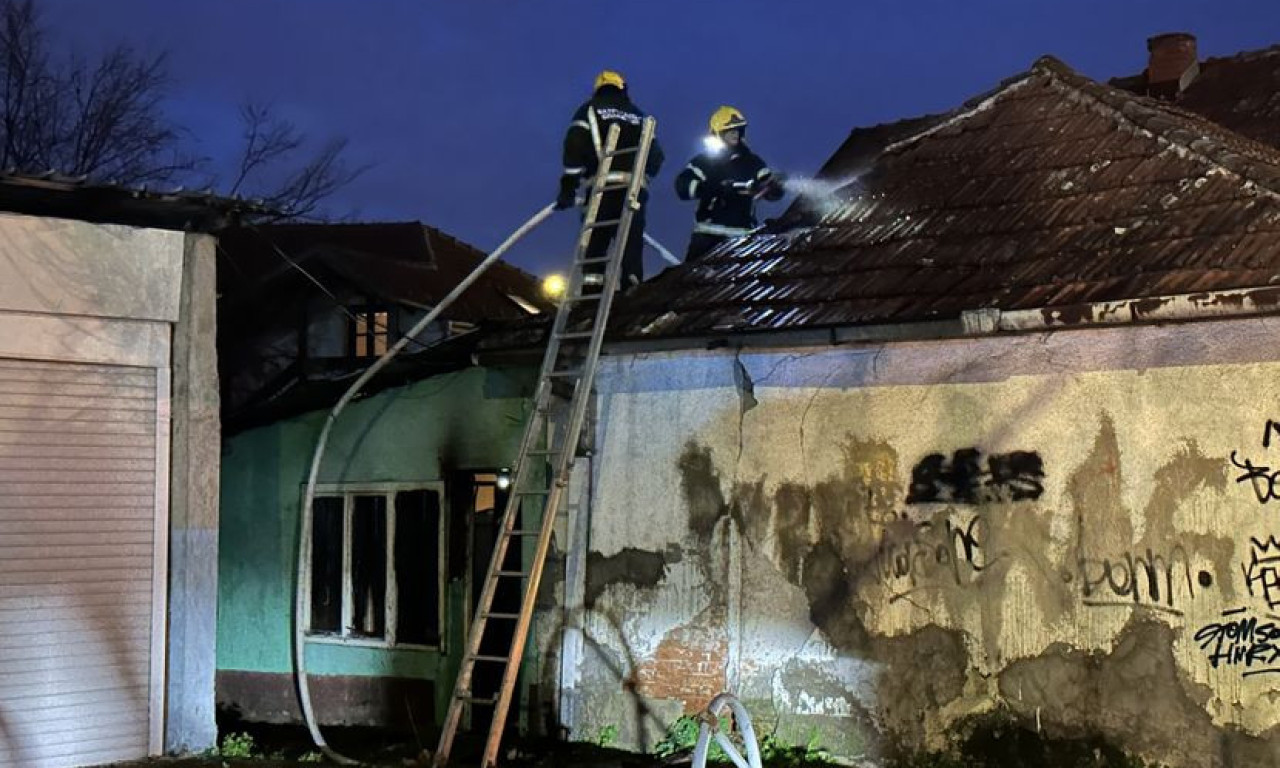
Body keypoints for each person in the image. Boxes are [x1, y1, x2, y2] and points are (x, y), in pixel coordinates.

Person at [556, 69, 664, 290]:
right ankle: (632, 286)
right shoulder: (640, 116)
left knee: (596, 241)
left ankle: (591, 291)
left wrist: (569, 187)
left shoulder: (589, 110)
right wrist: (643, 176)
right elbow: (657, 156)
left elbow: (575, 144)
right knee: (631, 241)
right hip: (633, 190)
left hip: (601, 188)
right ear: (623, 88)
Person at [675, 106, 785, 260]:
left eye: (738, 130)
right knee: (691, 275)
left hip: (743, 238)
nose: (735, 134)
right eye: (730, 131)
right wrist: (716, 189)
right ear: (718, 134)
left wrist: (776, 187)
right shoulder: (704, 162)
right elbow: (682, 187)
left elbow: (767, 187)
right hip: (708, 236)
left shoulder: (752, 162)